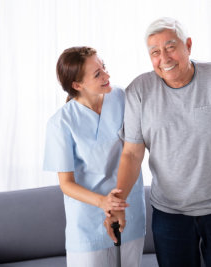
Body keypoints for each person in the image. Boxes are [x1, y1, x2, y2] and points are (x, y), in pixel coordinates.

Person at [105, 17, 211, 267]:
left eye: (170, 47)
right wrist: (119, 202)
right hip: (170, 213)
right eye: (155, 52)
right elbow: (132, 154)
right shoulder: (139, 90)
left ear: (188, 45)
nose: (164, 58)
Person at [43, 46, 145, 267]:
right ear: (77, 85)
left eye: (104, 67)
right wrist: (103, 203)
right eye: (97, 74)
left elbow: (136, 149)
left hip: (129, 212)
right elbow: (66, 184)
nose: (107, 76)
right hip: (87, 222)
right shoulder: (61, 123)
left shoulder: (122, 98)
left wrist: (116, 205)